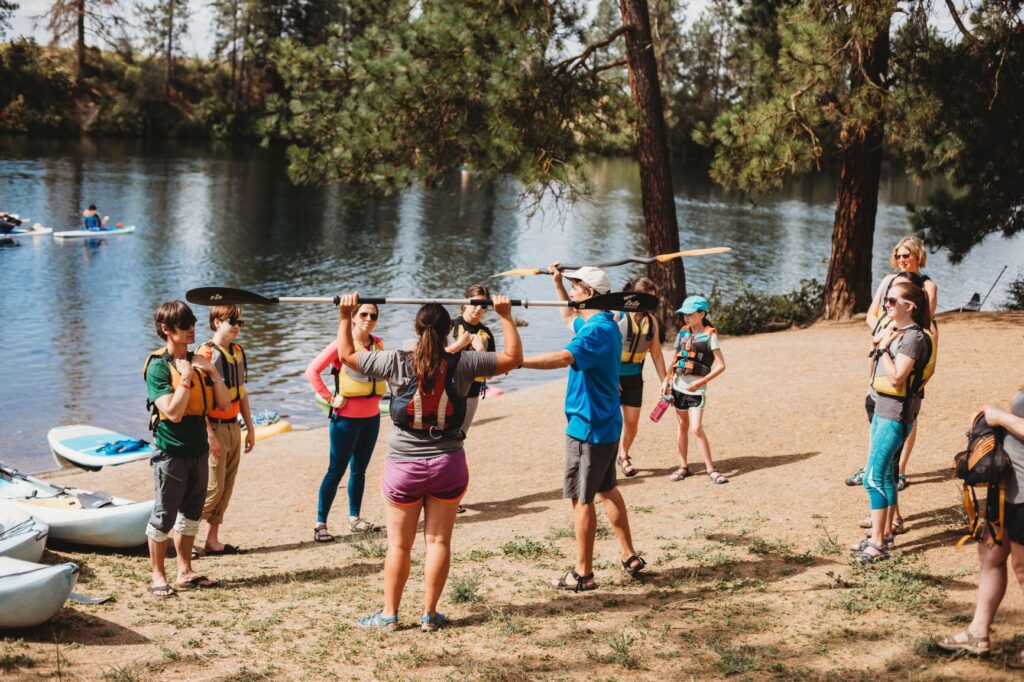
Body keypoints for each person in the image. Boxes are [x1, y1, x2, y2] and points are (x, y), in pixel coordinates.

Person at [336, 292, 522, 631]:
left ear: (417, 329)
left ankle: (390, 615)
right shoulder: (465, 362)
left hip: (403, 467)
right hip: (448, 464)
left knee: (399, 544)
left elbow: (347, 355)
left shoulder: (393, 360)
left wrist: (346, 316)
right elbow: (512, 358)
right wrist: (505, 315)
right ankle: (429, 614)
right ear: (450, 330)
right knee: (437, 542)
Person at [520, 264, 646, 592]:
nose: (573, 293)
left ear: (589, 293)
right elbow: (567, 319)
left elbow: (563, 358)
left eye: (576, 288)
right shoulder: (604, 323)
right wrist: (559, 284)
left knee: (582, 498)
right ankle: (629, 554)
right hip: (604, 425)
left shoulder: (594, 332)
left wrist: (516, 361)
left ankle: (583, 574)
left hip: (588, 428)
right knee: (607, 489)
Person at [143, 301, 231, 597]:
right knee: (164, 516)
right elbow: (173, 411)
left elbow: (223, 404)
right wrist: (186, 377)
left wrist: (212, 372)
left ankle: (185, 571)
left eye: (193, 323)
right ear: (166, 330)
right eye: (184, 325)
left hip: (198, 451)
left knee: (192, 513)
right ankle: (158, 575)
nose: (192, 329)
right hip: (171, 453)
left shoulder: (198, 361)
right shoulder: (158, 366)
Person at [936, 387, 1024, 667]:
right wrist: (992, 415)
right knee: (990, 555)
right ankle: (978, 633)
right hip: (1008, 487)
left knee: (1023, 570)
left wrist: (1000, 417)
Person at [848, 236, 939, 495]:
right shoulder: (888, 280)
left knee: (906, 412)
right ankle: (873, 467)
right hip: (885, 346)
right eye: (898, 256)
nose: (901, 260)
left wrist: (898, 336)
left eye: (906, 256)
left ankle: (899, 470)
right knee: (877, 411)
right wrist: (882, 333)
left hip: (908, 349)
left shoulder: (927, 285)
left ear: (918, 257)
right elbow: (871, 314)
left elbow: (925, 321)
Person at [852, 281, 934, 563]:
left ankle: (876, 543)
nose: (886, 304)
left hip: (895, 413)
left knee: (872, 477)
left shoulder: (914, 338)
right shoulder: (896, 331)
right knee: (887, 474)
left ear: (909, 307)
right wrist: (881, 345)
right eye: (886, 300)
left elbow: (898, 377)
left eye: (892, 301)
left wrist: (884, 348)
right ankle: (884, 534)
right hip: (882, 407)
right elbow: (876, 372)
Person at [305, 302, 386, 541]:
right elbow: (312, 371)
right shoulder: (341, 344)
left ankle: (355, 519)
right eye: (363, 314)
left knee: (359, 471)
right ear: (352, 317)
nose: (368, 319)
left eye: (373, 315)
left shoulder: (378, 344)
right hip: (346, 420)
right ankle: (321, 525)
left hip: (372, 418)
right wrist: (330, 398)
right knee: (336, 470)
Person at [194, 305, 254, 556]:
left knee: (226, 487)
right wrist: (208, 434)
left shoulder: (238, 352)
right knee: (212, 487)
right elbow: (196, 400)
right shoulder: (204, 354)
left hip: (233, 427)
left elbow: (241, 393)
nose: (237, 326)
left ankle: (212, 541)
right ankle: (185, 538)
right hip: (214, 428)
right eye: (232, 321)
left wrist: (250, 428)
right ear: (217, 322)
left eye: (240, 321)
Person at [661, 295, 728, 484]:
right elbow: (676, 359)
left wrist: (702, 382)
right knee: (682, 426)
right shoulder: (682, 334)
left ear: (702, 314)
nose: (686, 318)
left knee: (696, 428)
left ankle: (711, 470)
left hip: (697, 391)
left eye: (690, 314)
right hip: (678, 387)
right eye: (684, 314)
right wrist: (666, 380)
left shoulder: (710, 336)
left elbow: (721, 365)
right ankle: (683, 466)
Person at [445, 284, 497, 514]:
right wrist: (459, 346)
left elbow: (489, 370)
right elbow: (436, 358)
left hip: (471, 395)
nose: (478, 309)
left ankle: (451, 495)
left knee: (457, 441)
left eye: (484, 306)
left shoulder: (486, 334)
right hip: (446, 392)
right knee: (439, 441)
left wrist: (479, 352)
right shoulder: (448, 327)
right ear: (465, 303)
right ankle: (440, 493)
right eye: (475, 304)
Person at [616, 277, 668, 476]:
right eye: (646, 299)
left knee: (631, 421)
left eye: (653, 300)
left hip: (634, 377)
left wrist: (664, 380)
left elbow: (655, 353)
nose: (650, 304)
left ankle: (623, 454)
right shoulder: (617, 316)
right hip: (613, 377)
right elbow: (604, 348)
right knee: (611, 421)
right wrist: (611, 377)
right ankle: (609, 456)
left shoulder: (651, 322)